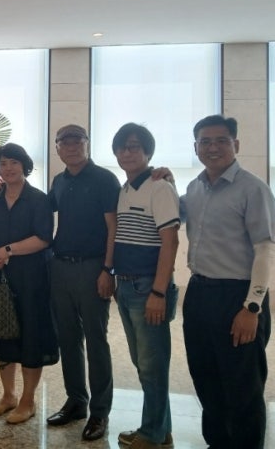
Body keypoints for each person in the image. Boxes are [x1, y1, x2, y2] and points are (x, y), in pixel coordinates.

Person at [182, 115, 273, 449]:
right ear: (195, 147)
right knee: (206, 377)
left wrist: (252, 307)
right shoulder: (194, 188)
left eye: (221, 140)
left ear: (236, 144)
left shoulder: (253, 188)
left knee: (243, 387)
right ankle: (218, 443)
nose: (213, 147)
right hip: (198, 292)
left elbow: (266, 249)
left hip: (238, 296)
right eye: (205, 141)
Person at [46, 124, 120, 442]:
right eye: (65, 142)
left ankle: (100, 411)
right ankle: (76, 400)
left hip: (93, 268)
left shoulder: (104, 179)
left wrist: (108, 270)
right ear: (58, 148)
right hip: (60, 267)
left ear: (87, 144)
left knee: (96, 339)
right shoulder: (59, 181)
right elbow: (41, 209)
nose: (72, 146)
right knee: (68, 338)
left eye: (78, 141)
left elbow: (113, 227)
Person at [0, 143, 59, 425]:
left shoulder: (38, 199)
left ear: (24, 165)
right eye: (3, 163)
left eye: (14, 162)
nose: (9, 168)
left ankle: (28, 400)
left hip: (31, 278)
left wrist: (7, 251)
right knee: (3, 334)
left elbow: (44, 238)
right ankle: (8, 395)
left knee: (30, 336)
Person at [111, 124, 179, 449]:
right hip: (126, 285)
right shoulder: (125, 188)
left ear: (148, 152)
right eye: (122, 147)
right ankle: (161, 431)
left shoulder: (159, 187)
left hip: (148, 287)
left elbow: (171, 242)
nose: (127, 152)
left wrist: (158, 292)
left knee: (152, 366)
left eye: (134, 146)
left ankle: (151, 435)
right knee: (144, 363)